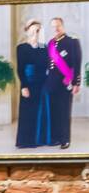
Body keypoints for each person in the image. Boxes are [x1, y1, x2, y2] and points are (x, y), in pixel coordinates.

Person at [42, 16, 82, 149]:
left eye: (58, 26)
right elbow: (49, 64)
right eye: (53, 27)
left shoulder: (72, 42)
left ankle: (65, 139)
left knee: (64, 111)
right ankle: (56, 137)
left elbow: (77, 62)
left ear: (62, 26)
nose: (56, 29)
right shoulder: (50, 43)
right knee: (54, 111)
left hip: (66, 82)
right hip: (51, 83)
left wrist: (76, 83)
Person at [15, 19, 50, 148]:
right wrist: (24, 86)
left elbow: (46, 65)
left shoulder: (43, 48)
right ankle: (25, 141)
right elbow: (20, 69)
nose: (36, 31)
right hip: (28, 83)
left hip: (42, 83)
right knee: (27, 111)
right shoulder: (21, 48)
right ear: (27, 30)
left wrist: (41, 41)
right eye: (33, 29)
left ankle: (39, 140)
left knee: (40, 111)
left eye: (38, 29)